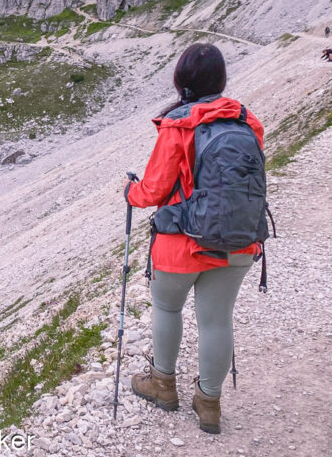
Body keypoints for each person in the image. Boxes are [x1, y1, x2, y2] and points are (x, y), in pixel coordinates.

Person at [124, 43, 263, 434]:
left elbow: (154, 189)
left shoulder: (180, 124)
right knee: (216, 320)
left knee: (167, 309)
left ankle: (163, 385)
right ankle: (209, 404)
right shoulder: (247, 123)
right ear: (221, 79)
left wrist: (130, 192)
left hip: (181, 242)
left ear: (181, 80)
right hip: (237, 239)